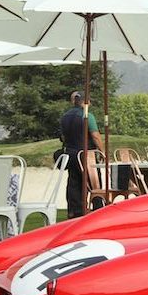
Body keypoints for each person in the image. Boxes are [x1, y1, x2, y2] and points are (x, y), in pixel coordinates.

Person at [60, 91, 104, 219]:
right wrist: (102, 151)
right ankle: (98, 210)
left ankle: (75, 212)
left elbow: (63, 136)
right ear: (86, 102)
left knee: (74, 184)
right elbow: (95, 135)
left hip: (70, 154)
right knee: (94, 182)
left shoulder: (65, 116)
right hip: (86, 155)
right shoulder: (87, 116)